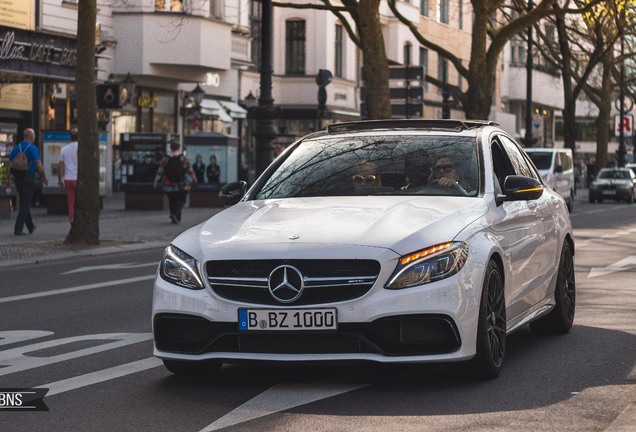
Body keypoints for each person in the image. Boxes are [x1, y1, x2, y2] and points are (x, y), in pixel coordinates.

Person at [6, 128, 49, 235]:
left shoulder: (16, 147)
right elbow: (39, 165)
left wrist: (8, 179)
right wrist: (44, 177)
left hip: (17, 178)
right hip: (28, 177)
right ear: (30, 136)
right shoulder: (32, 148)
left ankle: (30, 226)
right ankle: (18, 228)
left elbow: (9, 165)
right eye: (33, 136)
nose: (34, 138)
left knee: (24, 201)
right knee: (25, 203)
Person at [153, 140, 197, 223]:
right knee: (182, 199)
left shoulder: (166, 158)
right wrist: (194, 178)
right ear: (179, 148)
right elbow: (189, 170)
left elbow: (160, 170)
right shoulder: (182, 158)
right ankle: (176, 213)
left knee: (172, 200)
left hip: (168, 183)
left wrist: (156, 180)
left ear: (170, 148)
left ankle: (174, 216)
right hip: (182, 183)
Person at [58, 128, 79, 223]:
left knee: (71, 202)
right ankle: (79, 220)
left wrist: (60, 179)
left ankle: (72, 219)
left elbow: (61, 165)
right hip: (78, 178)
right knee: (80, 201)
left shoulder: (64, 149)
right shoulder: (82, 148)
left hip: (68, 178)